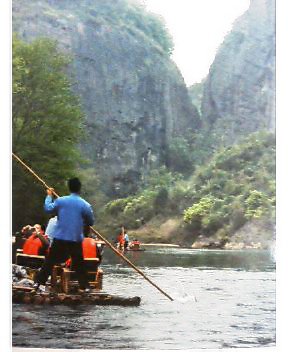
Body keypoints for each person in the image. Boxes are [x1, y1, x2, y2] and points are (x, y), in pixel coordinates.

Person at [33, 177, 95, 293]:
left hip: (60, 237)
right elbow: (91, 221)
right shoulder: (85, 205)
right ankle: (85, 287)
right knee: (79, 262)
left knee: (50, 261)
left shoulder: (61, 201)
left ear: (69, 188)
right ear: (79, 189)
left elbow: (47, 208)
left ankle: (38, 283)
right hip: (75, 238)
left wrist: (49, 195)